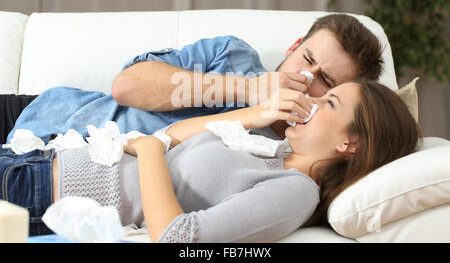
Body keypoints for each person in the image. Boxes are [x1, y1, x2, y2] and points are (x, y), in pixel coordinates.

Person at [0, 80, 421, 241]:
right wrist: (257, 115)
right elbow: (171, 136)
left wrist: (147, 151)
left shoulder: (296, 192)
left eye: (329, 101)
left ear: (352, 144)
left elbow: (178, 238)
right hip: (34, 158)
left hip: (35, 195)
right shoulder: (268, 149)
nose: (311, 100)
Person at [1, 14, 383, 146]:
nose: (305, 76)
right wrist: (251, 89)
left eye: (324, 81)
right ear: (295, 45)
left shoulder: (293, 152)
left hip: (50, 165)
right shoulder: (232, 54)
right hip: (42, 114)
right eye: (308, 58)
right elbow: (127, 87)